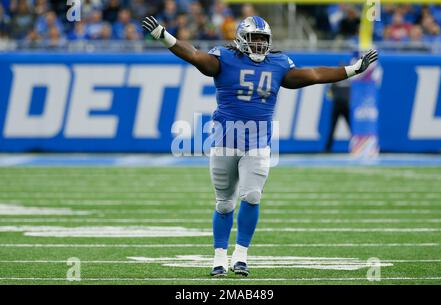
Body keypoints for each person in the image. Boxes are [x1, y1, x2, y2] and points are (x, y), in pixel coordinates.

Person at [142, 15, 378, 277]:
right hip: (224, 140)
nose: (258, 44)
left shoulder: (277, 63)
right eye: (254, 38)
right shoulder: (225, 57)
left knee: (252, 196)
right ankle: (219, 257)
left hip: (258, 142)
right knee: (224, 204)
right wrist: (164, 35)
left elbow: (312, 74)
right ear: (242, 38)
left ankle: (241, 255)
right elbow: (195, 56)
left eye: (262, 39)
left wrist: (352, 69)